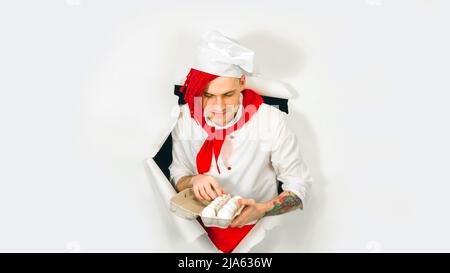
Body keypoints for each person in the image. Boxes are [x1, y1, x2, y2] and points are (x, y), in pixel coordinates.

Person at [168, 30, 312, 253]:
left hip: (259, 236)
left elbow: (298, 185)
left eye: (227, 95)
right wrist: (193, 181)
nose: (218, 107)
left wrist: (262, 209)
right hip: (198, 236)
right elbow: (178, 171)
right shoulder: (186, 117)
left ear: (242, 82)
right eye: (208, 96)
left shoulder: (271, 120)